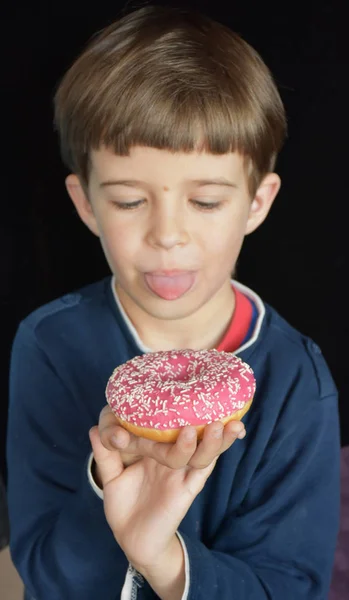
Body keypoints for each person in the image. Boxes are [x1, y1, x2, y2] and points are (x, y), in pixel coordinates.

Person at [6, 5, 340, 600]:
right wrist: (107, 494)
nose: (168, 236)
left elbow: (290, 587)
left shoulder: (296, 379)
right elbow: (44, 574)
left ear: (256, 204)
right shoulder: (49, 343)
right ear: (86, 205)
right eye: (131, 201)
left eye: (206, 201)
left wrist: (165, 559)